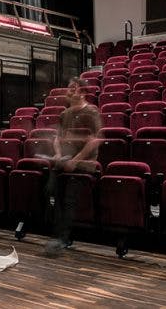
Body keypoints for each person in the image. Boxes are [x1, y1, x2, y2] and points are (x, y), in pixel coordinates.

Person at [44, 77, 101, 256]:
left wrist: (75, 160)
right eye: (68, 88)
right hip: (65, 161)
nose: (68, 91)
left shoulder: (91, 112)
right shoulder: (64, 114)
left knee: (68, 200)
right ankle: (58, 236)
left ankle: (62, 238)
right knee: (51, 192)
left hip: (83, 164)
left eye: (73, 88)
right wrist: (59, 155)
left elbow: (94, 141)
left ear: (83, 92)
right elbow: (57, 139)